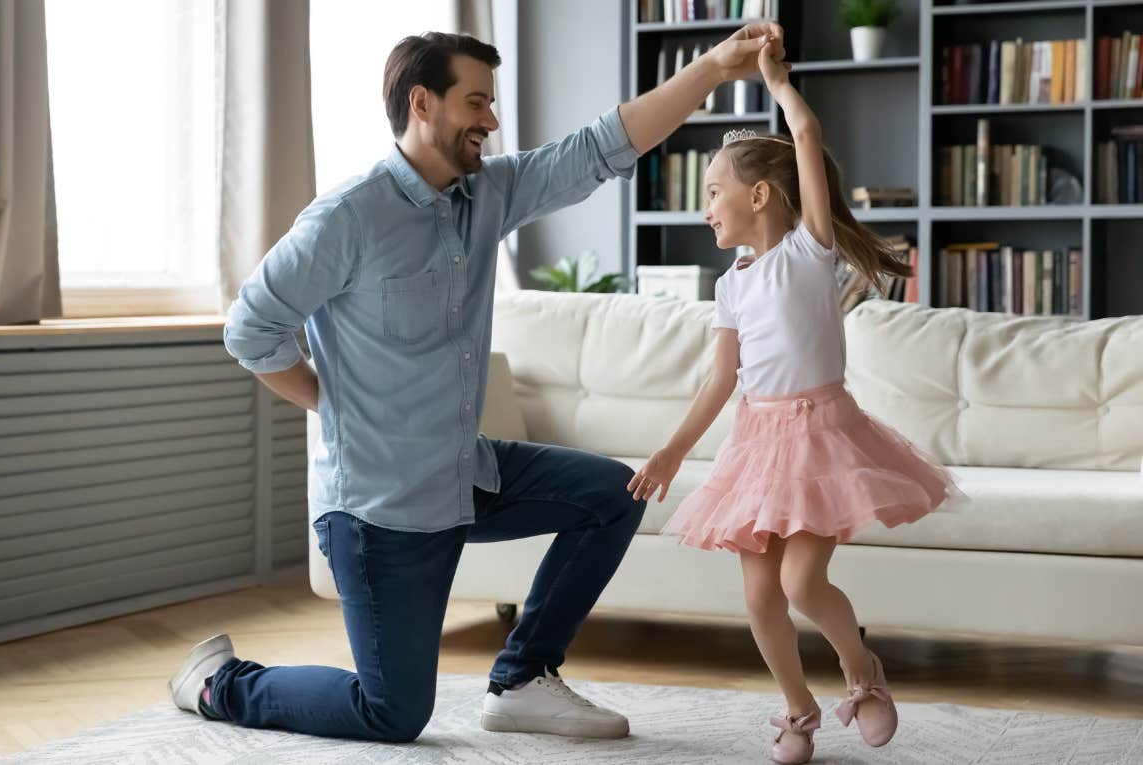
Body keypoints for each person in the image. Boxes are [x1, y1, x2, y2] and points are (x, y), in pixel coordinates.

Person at [169, 23, 786, 743]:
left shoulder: (487, 193)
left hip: (464, 474)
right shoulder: (348, 217)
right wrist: (333, 403)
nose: (491, 121)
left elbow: (602, 146)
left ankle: (523, 676)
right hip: (380, 510)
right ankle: (220, 683)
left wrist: (713, 67)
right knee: (392, 712)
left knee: (613, 497)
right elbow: (250, 327)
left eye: (492, 104)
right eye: (476, 102)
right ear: (422, 104)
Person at [628, 32, 963, 765]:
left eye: (712, 191)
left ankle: (862, 675)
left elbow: (806, 133)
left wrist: (777, 82)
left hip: (822, 439)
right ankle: (797, 710)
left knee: (802, 580)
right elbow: (722, 380)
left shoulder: (810, 253)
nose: (704, 207)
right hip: (757, 446)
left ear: (759, 196)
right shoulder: (730, 286)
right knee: (758, 598)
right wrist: (671, 451)